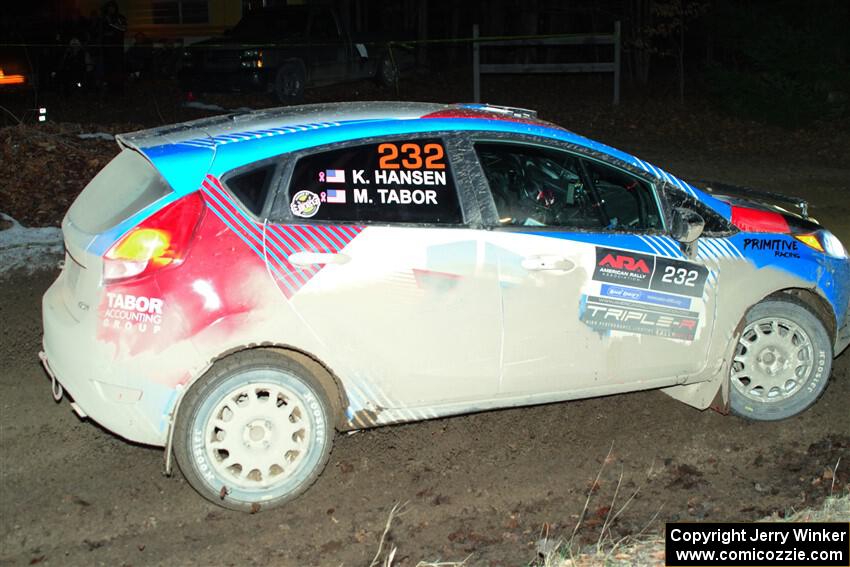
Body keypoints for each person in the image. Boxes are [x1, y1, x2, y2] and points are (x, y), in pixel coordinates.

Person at [101, 0, 127, 94]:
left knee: (118, 68)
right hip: (107, 48)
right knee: (109, 68)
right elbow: (101, 32)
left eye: (112, 7)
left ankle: (119, 88)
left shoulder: (120, 17)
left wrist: (112, 25)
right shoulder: (104, 19)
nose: (111, 9)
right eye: (109, 7)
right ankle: (110, 88)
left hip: (117, 48)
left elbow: (123, 28)